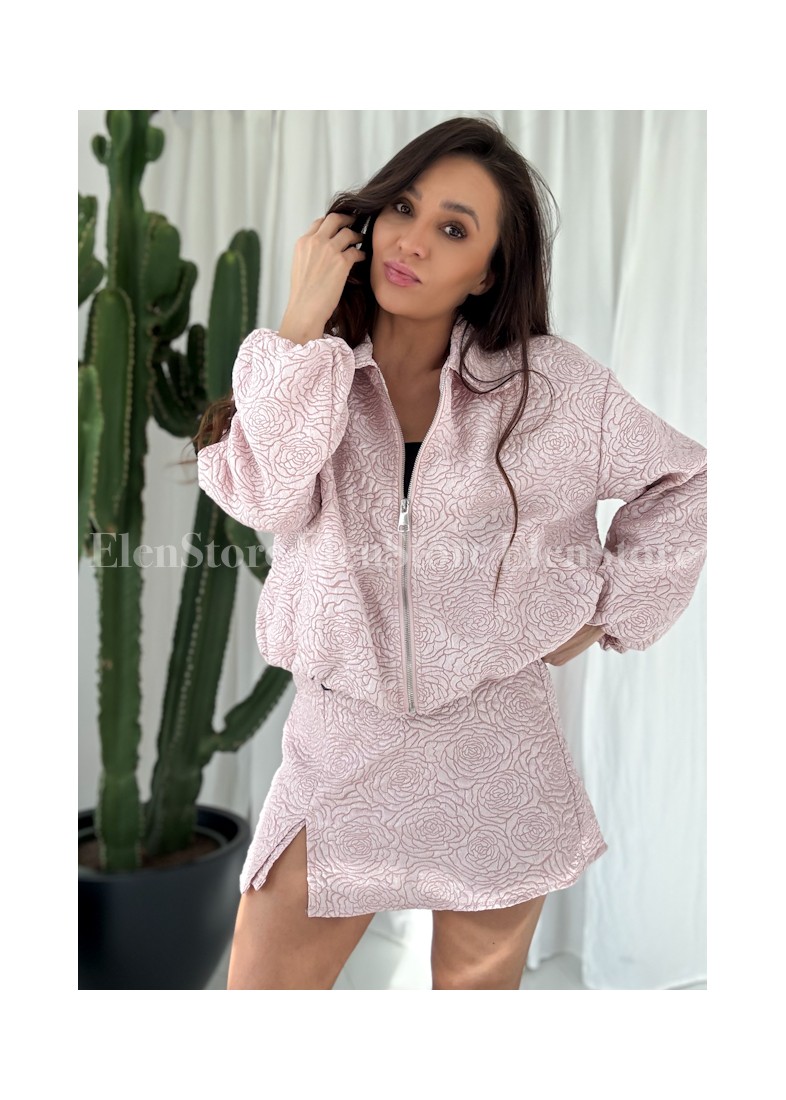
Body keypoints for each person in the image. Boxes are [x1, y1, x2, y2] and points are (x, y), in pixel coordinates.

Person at [192, 116, 707, 990]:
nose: (414, 241)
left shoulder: (554, 389)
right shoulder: (315, 375)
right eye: (403, 207)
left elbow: (687, 481)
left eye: (454, 229)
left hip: (497, 755)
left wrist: (604, 614)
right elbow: (263, 497)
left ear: (488, 271)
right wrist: (298, 327)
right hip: (339, 749)